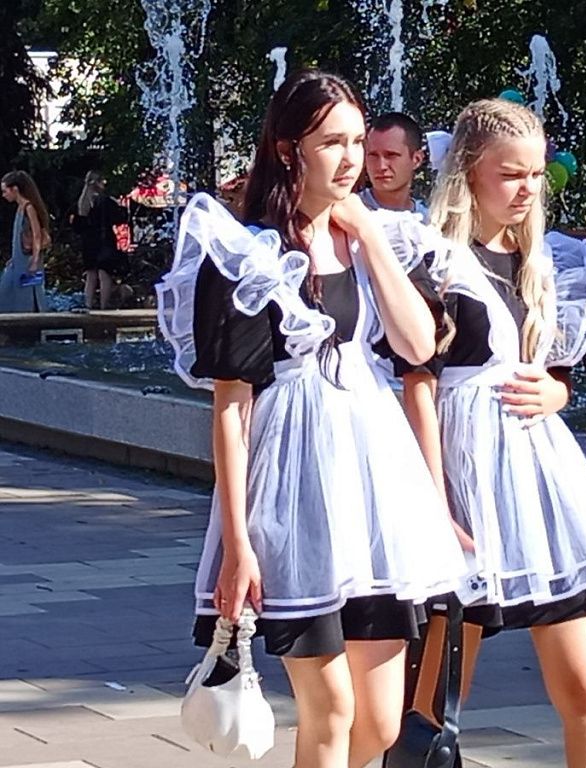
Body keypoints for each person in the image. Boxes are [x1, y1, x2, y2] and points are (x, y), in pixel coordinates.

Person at [156, 69, 467, 768]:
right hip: (294, 494)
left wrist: (370, 236)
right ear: (288, 148)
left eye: (358, 141)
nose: (352, 158)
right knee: (331, 713)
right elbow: (232, 405)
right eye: (332, 143)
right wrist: (237, 542)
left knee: (379, 724)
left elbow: (419, 345)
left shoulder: (375, 238)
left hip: (375, 494)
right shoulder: (248, 253)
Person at [398, 98, 586, 768]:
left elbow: (555, 374)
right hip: (467, 474)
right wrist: (437, 505)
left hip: (540, 481)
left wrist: (558, 390)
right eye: (510, 174)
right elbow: (418, 386)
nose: (527, 188)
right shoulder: (435, 260)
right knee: (440, 692)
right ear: (469, 172)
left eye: (535, 174)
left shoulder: (542, 261)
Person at [70, 171, 129, 310]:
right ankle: (104, 306)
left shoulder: (82, 202)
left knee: (90, 275)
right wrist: (121, 207)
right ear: (98, 182)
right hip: (104, 240)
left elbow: (78, 225)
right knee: (104, 274)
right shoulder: (106, 201)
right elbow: (120, 218)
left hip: (88, 242)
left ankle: (88, 304)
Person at [359, 111, 429, 220]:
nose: (381, 166)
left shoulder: (429, 222)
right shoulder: (343, 214)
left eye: (391, 155)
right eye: (373, 155)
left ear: (417, 159)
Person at [0, 170, 49, 312]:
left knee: (28, 292)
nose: (4, 195)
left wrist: (35, 260)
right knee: (9, 289)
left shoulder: (29, 208)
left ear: (15, 189)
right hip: (19, 259)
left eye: (5, 191)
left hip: (28, 260)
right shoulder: (20, 208)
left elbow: (36, 234)